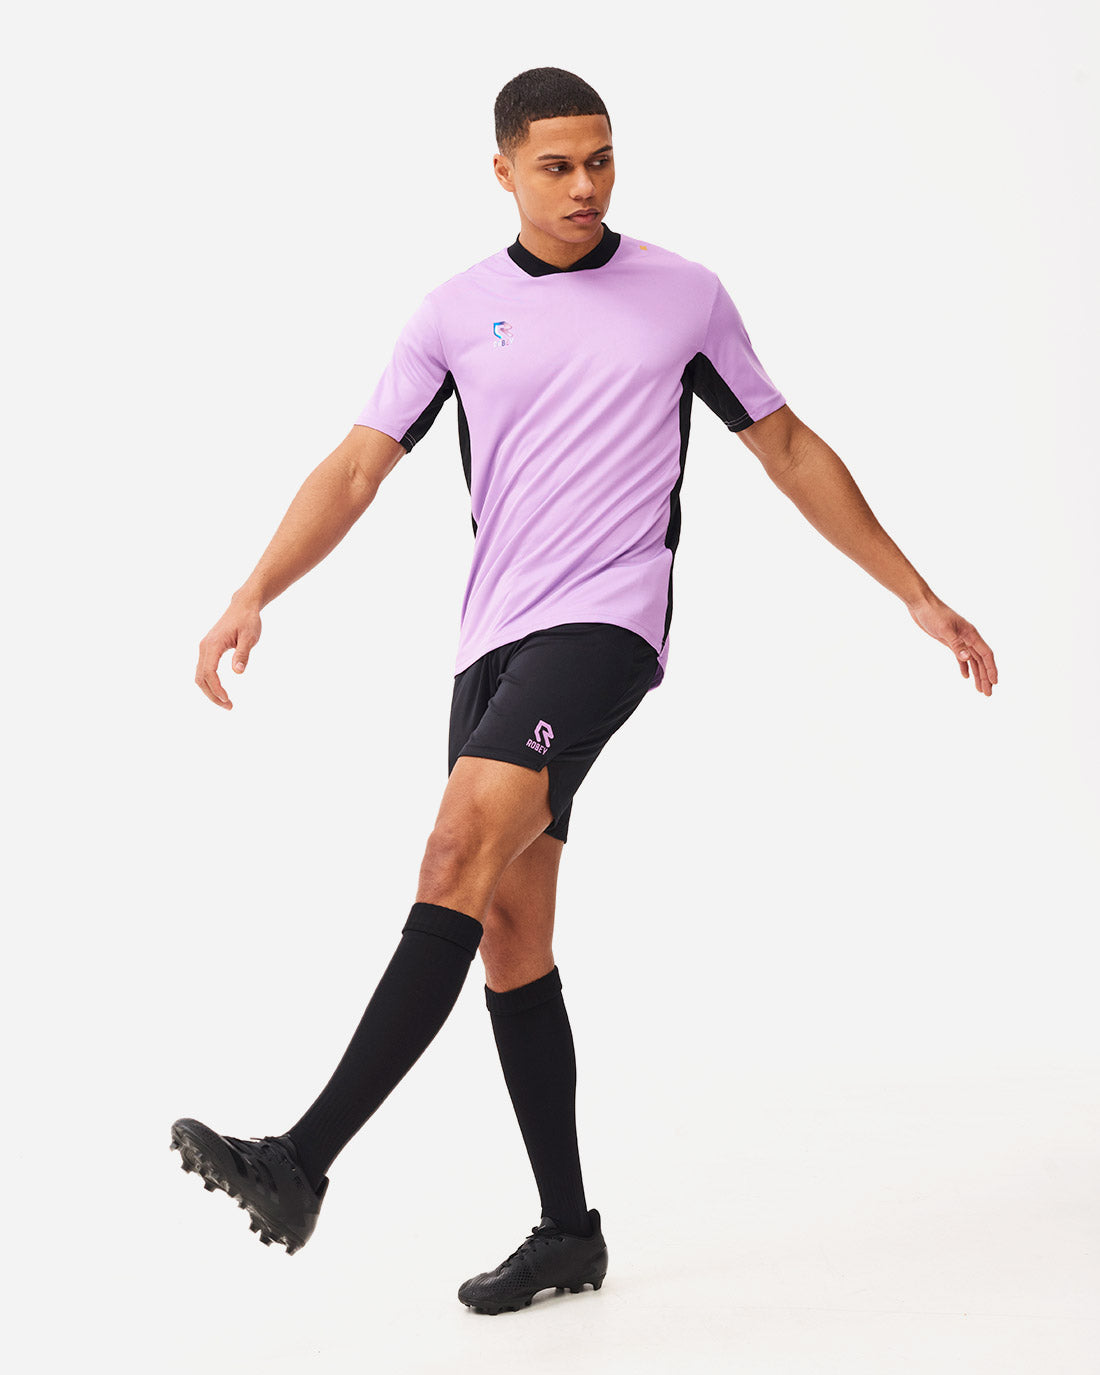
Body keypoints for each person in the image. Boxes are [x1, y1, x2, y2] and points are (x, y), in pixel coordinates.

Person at [173, 66, 998, 1316]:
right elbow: (354, 469)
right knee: (509, 930)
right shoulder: (454, 312)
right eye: (555, 165)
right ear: (502, 169)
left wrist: (915, 593)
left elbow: (784, 445)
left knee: (452, 848)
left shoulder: (682, 295)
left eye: (600, 160)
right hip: (491, 640)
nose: (583, 186)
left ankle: (299, 1160)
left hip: (606, 626)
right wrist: (253, 590)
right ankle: (568, 1232)